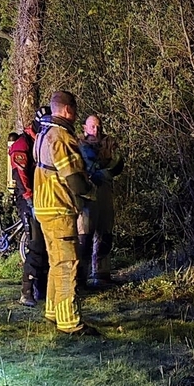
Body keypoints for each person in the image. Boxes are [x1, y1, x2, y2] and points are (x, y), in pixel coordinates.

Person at [33, 91, 96, 335]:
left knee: (55, 262)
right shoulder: (61, 137)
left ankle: (53, 311)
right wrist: (90, 188)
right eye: (75, 109)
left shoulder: (44, 133)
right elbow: (73, 177)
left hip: (44, 206)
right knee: (67, 264)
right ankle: (70, 323)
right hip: (59, 207)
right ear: (68, 110)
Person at [8, 106, 51, 306]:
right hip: (29, 199)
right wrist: (30, 198)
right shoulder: (23, 144)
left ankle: (41, 289)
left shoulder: (41, 140)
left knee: (47, 245)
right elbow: (21, 175)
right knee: (35, 244)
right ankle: (27, 291)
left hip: (44, 197)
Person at [77, 115, 123, 287]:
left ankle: (101, 274)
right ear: (85, 127)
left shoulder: (109, 144)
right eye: (92, 127)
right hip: (86, 195)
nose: (96, 130)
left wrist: (104, 174)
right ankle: (81, 277)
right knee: (84, 236)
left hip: (104, 192)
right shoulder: (77, 145)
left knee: (105, 234)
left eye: (98, 126)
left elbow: (118, 164)